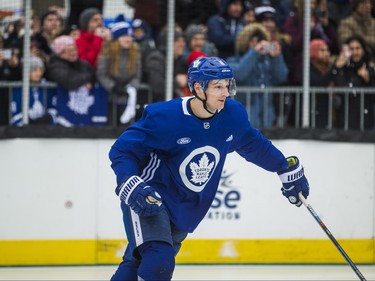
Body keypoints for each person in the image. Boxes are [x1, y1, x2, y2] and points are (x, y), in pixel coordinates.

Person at [108, 56, 310, 281]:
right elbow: (122, 150)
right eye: (217, 87)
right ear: (198, 88)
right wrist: (129, 182)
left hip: (185, 206)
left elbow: (253, 143)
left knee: (137, 263)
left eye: (227, 85)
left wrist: (283, 167)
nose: (225, 93)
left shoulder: (232, 115)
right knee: (159, 261)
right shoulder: (164, 117)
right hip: (151, 197)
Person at [227, 23, 289, 128]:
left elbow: (281, 77)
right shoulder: (232, 61)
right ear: (246, 42)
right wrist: (254, 52)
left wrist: (277, 57)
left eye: (260, 41)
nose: (259, 45)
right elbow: (240, 73)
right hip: (244, 112)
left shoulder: (268, 60)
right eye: (254, 41)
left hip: (267, 113)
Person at [96, 21, 141, 125]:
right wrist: (113, 86)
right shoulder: (107, 52)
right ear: (117, 38)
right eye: (124, 36)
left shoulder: (135, 52)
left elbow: (137, 75)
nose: (128, 39)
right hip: (109, 95)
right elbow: (101, 73)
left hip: (128, 96)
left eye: (130, 36)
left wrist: (131, 87)